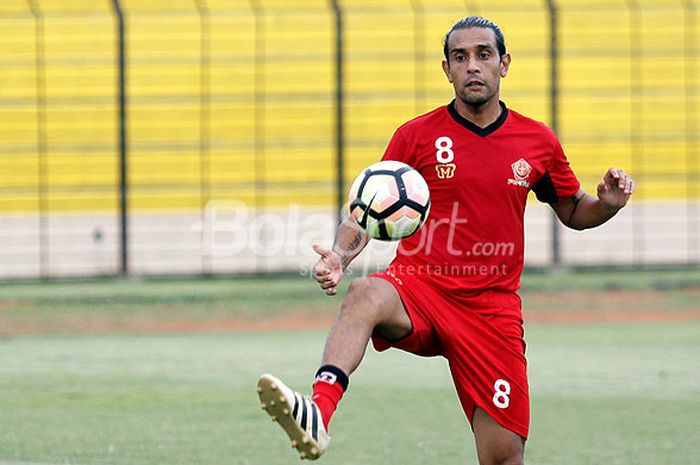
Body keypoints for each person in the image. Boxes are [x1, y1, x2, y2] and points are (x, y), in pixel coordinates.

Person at [256, 16, 635, 464]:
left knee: (503, 456)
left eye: (483, 55)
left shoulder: (537, 141)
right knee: (363, 293)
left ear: (504, 64)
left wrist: (607, 204)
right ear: (447, 69)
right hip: (420, 287)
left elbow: (573, 210)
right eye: (461, 57)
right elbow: (367, 208)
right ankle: (317, 413)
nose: (472, 65)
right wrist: (340, 255)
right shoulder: (415, 136)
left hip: (491, 310)